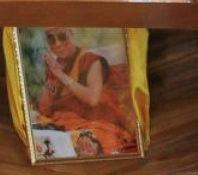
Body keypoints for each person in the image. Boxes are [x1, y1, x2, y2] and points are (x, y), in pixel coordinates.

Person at [35, 28, 138, 156]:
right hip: (66, 122)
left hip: (97, 120)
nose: (57, 44)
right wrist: (51, 75)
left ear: (71, 33)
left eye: (62, 36)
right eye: (51, 39)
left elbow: (93, 99)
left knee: (87, 142)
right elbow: (44, 109)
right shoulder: (55, 65)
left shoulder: (91, 60)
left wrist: (61, 75)